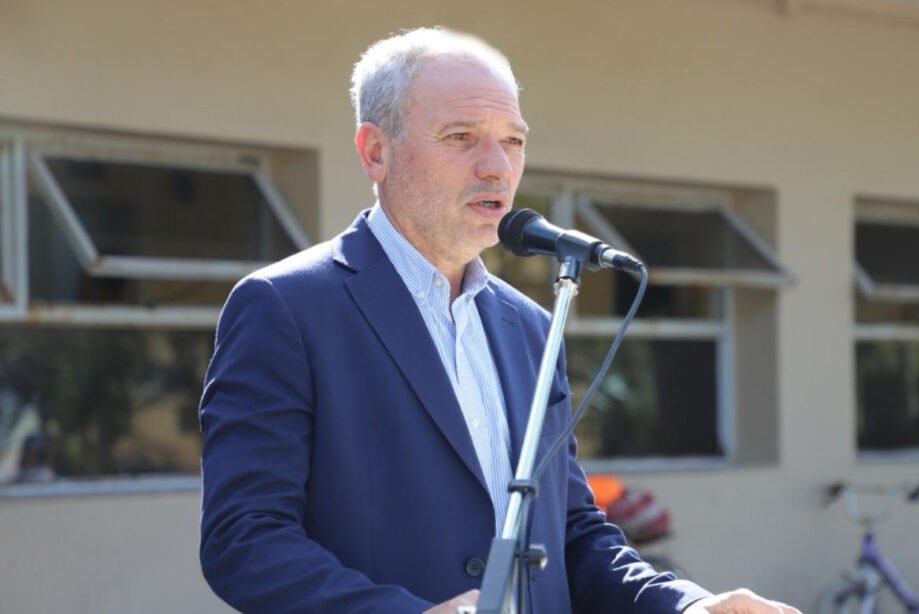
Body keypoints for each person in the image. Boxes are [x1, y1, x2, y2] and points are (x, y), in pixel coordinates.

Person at [199, 27, 799, 614]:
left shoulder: (532, 326)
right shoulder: (285, 306)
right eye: (461, 136)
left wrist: (688, 605)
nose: (497, 168)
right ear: (375, 152)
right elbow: (244, 538)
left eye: (512, 141)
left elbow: (570, 533)